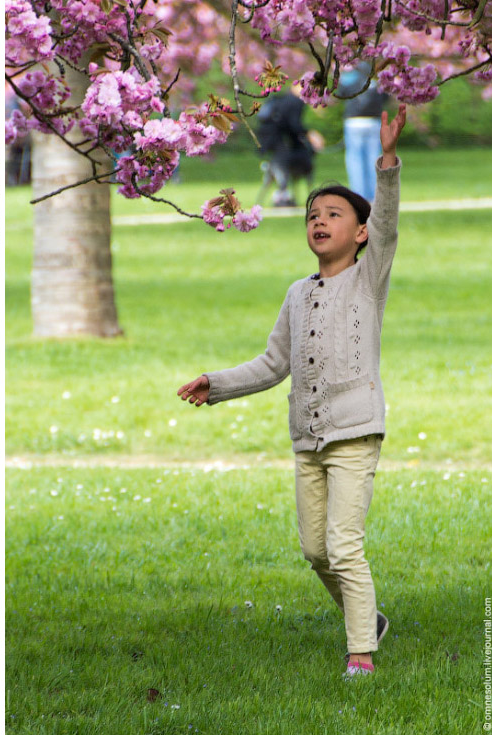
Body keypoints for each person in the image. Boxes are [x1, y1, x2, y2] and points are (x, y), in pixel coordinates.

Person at [177, 105, 407, 679]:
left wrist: (386, 163)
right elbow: (274, 362)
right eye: (312, 215)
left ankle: (361, 654)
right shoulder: (296, 294)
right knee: (315, 550)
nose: (319, 221)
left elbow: (390, 223)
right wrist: (219, 384)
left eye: (334, 214)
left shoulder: (369, 277)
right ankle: (370, 619)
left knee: (345, 545)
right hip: (307, 437)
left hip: (355, 430)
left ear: (360, 232)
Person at [339, 62, 390, 202]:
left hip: (354, 122)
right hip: (373, 121)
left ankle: (359, 194)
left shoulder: (351, 79)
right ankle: (373, 194)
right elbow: (386, 98)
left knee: (355, 159)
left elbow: (341, 92)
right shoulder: (376, 83)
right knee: (373, 158)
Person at [256, 91, 315, 207]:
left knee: (277, 167)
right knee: (283, 167)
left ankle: (281, 195)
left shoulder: (280, 99)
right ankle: (282, 196)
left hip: (268, 141)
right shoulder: (295, 102)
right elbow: (294, 125)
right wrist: (308, 135)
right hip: (282, 144)